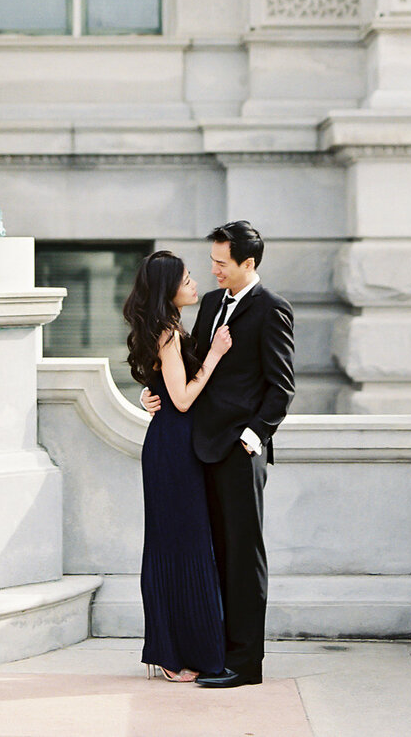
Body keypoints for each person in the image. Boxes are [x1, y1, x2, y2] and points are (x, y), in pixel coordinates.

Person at [142, 220, 295, 689]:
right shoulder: (209, 304)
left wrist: (253, 439)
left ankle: (245, 666)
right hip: (193, 450)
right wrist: (153, 396)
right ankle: (213, 653)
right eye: (210, 261)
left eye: (221, 263)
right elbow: (181, 367)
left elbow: (282, 387)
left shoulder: (272, 310)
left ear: (248, 263)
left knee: (244, 558)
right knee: (209, 557)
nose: (212, 271)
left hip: (238, 451)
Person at [123, 249, 233, 682]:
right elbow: (183, 398)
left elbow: (163, 391)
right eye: (186, 279)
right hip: (172, 449)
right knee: (177, 547)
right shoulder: (168, 332)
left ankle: (174, 650)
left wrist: (151, 396)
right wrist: (216, 355)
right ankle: (170, 657)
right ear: (169, 289)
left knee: (181, 545)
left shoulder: (168, 327)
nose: (194, 284)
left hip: (172, 444)